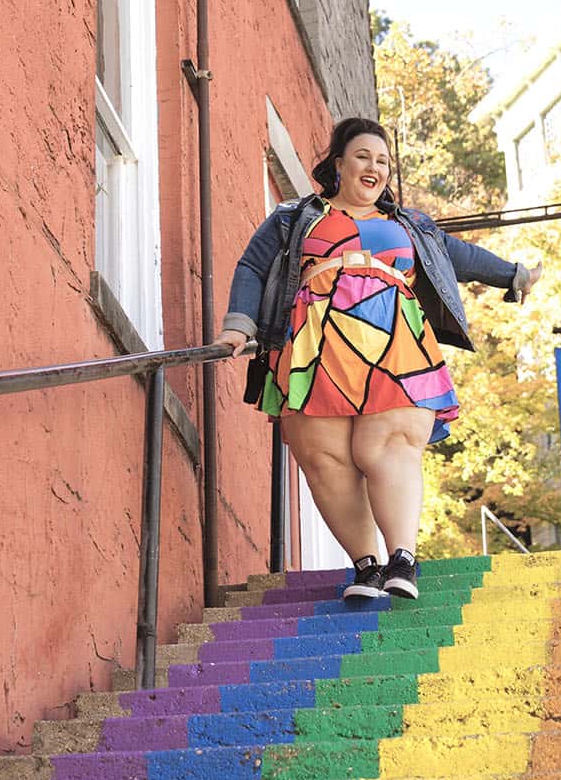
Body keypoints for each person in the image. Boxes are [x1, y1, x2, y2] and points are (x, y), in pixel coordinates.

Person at [216, 118, 541, 601]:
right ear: (339, 164)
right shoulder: (293, 217)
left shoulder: (408, 225)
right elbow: (253, 265)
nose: (375, 167)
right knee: (325, 457)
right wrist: (239, 324)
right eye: (364, 156)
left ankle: (402, 560)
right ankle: (366, 568)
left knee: (386, 446)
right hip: (315, 343)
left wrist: (514, 275)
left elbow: (459, 255)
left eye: (384, 161)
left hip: (395, 340)